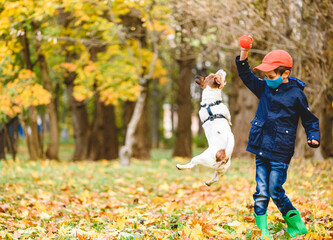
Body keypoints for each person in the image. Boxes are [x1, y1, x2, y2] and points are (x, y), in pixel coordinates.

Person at [235, 42, 320, 239]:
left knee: (275, 188)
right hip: (261, 147)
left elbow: (310, 120)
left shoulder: (296, 95)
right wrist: (244, 52)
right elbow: (246, 75)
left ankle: (296, 225)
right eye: (265, 75)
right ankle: (262, 231)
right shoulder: (263, 87)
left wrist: (313, 136)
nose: (267, 79)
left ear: (285, 74)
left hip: (281, 150)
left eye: (271, 76)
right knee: (262, 190)